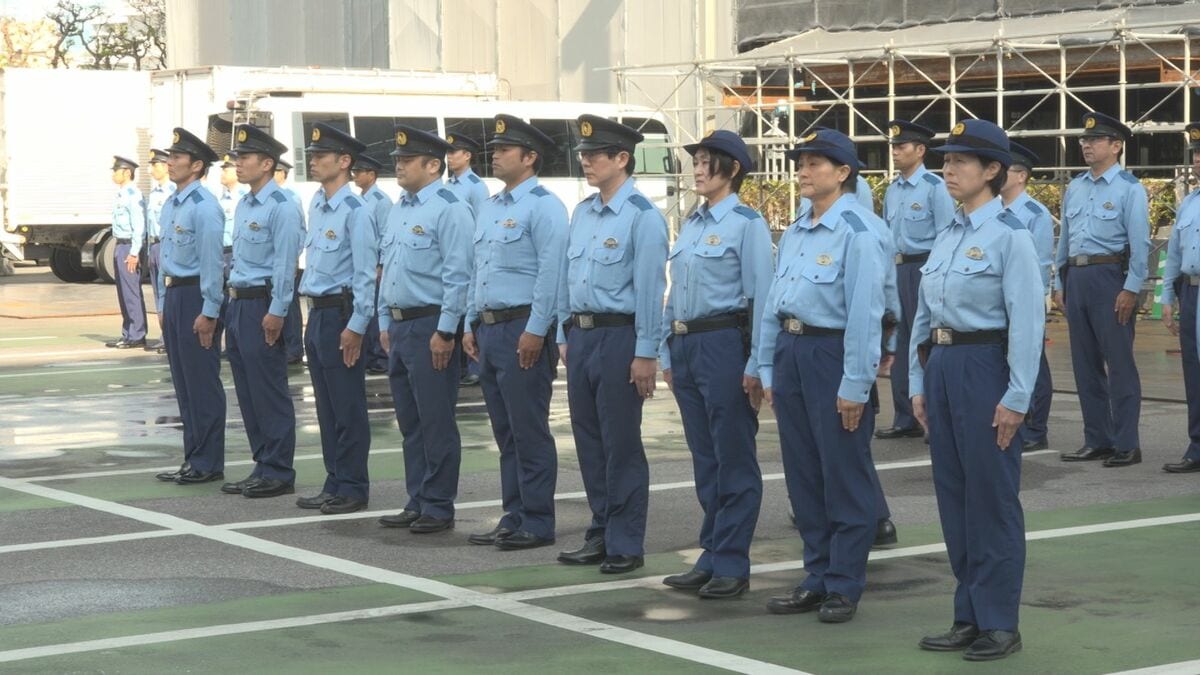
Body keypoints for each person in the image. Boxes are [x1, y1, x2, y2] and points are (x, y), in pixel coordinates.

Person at [910, 119, 1043, 661]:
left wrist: (1017, 397)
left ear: (993, 171)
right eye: (947, 159)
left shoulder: (1010, 235)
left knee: (991, 499)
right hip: (943, 367)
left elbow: (1028, 322)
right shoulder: (947, 234)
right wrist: (918, 382)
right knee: (955, 499)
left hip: (985, 366)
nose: (949, 168)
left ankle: (1000, 622)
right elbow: (923, 318)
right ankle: (968, 613)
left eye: (962, 160)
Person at [759, 128, 887, 623]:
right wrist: (768, 365)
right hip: (793, 352)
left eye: (815, 164)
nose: (804, 172)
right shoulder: (795, 229)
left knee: (843, 473)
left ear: (843, 172)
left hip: (831, 354)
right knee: (803, 473)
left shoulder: (859, 230)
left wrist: (856, 385)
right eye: (802, 163)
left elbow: (864, 314)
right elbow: (775, 304)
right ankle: (816, 574)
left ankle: (845, 582)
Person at [659, 130, 773, 599]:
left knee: (733, 458)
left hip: (725, 344)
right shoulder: (691, 222)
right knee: (705, 461)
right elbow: (675, 292)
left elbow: (762, 299)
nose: (697, 169)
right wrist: (666, 348)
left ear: (732, 168)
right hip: (687, 347)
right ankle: (711, 552)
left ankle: (732, 561)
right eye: (697, 160)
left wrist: (757, 363)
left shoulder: (747, 223)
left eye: (707, 161)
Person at [554, 115, 668, 574]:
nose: (585, 161)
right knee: (589, 440)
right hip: (582, 337)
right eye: (582, 154)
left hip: (621, 337)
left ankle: (625, 541)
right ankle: (600, 530)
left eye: (595, 154)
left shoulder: (642, 217)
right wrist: (564, 333)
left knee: (620, 443)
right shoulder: (582, 212)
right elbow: (567, 277)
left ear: (622, 159)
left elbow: (649, 291)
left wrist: (646, 352)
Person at [463, 114, 568, 551]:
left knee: (528, 429)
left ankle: (538, 520)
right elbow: (479, 268)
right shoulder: (490, 206)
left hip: (522, 328)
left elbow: (551, 273)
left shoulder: (544, 206)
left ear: (529, 158)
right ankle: (514, 513)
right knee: (505, 431)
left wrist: (537, 329)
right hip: (489, 330)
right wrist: (470, 320)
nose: (496, 154)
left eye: (506, 149)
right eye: (496, 148)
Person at [375, 126, 473, 534]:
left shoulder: (449, 208)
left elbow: (459, 274)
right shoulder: (401, 206)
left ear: (433, 165)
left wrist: (447, 330)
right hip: (399, 325)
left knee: (435, 420)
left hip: (430, 323)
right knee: (410, 421)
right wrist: (383, 320)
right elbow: (388, 269)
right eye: (397, 159)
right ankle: (417, 497)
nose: (398, 165)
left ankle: (438, 503)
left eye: (406, 160)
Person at [1055, 112, 1150, 468]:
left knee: (1120, 363)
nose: (1086, 145)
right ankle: (1097, 438)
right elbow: (1064, 238)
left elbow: (1140, 245)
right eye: (1084, 140)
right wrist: (1058, 282)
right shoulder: (1075, 186)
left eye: (1094, 141)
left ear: (1116, 146)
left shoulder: (1129, 189)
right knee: (1084, 364)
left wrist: (1131, 289)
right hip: (1077, 278)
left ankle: (1127, 443)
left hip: (1110, 277)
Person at [293, 123, 378, 515]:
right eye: (312, 155)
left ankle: (353, 486)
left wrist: (357, 327)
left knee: (347, 406)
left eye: (321, 156)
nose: (313, 161)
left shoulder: (356, 211)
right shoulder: (317, 203)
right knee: (326, 407)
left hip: (342, 315)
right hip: (318, 313)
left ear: (344, 162)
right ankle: (334, 480)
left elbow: (364, 276)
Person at [218, 124, 305, 499]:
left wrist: (278, 311)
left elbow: (286, 264)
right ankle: (262, 464)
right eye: (237, 157)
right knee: (249, 392)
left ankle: (279, 469)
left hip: (263, 305)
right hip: (239, 303)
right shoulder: (246, 202)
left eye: (246, 157)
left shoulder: (282, 206)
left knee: (269, 390)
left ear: (267, 163)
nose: (238, 163)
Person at [152, 128, 227, 485]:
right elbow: (166, 259)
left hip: (198, 295)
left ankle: (209, 461)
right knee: (183, 383)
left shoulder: (205, 207)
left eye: (177, 158)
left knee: (201, 383)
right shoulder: (173, 203)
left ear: (197, 165)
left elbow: (213, 263)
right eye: (170, 156)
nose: (170, 162)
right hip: (176, 295)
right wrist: (164, 305)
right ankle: (193, 457)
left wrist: (210, 310)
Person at [876, 120, 956, 440]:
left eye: (902, 146)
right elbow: (884, 236)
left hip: (924, 268)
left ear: (920, 151)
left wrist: (937, 278)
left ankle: (932, 415)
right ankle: (904, 416)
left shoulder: (935, 188)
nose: (895, 151)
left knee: (925, 343)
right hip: (896, 271)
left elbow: (947, 236)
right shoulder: (892, 190)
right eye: (893, 146)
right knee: (897, 341)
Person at [1002, 142, 1055, 452]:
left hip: (1027, 296)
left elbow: (1042, 263)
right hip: (999, 299)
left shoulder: (1035, 213)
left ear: (1021, 175)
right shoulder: (995, 211)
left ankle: (1037, 427)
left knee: (1033, 360)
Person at [1159, 122, 1200, 474]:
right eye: (1197, 154)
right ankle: (1197, 445)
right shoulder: (1188, 203)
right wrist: (1166, 299)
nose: (1199, 161)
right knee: (1193, 372)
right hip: (1190, 291)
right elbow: (1174, 253)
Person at [444, 132, 491, 387]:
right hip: (453, 256)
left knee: (471, 311)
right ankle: (461, 364)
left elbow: (482, 222)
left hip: (471, 257)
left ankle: (475, 364)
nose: (450, 157)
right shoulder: (448, 185)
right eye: (448, 152)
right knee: (455, 310)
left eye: (455, 152)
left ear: (468, 155)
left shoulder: (475, 186)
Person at [352, 153, 394, 375]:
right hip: (363, 262)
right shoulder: (360, 199)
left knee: (378, 311)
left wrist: (381, 264)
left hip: (376, 264)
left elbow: (385, 235)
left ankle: (380, 355)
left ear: (371, 174)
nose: (355, 176)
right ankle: (368, 352)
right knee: (363, 308)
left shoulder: (381, 201)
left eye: (359, 172)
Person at [107, 155, 148, 349]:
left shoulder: (133, 194)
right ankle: (128, 332)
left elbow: (139, 226)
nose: (113, 174)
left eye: (116, 170)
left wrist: (134, 252)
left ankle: (137, 333)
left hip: (129, 246)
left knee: (131, 291)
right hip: (120, 245)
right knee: (123, 292)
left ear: (127, 172)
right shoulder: (121, 194)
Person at [142, 148, 175, 354]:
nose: (151, 169)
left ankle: (169, 335)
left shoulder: (172, 191)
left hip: (167, 246)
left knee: (169, 292)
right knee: (157, 292)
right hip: (154, 246)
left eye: (155, 165)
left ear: (165, 166)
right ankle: (164, 335)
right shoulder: (153, 194)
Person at [275, 158, 306, 365]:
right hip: (274, 263)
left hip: (287, 260)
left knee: (290, 305)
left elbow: (297, 232)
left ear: (282, 173)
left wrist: (294, 257)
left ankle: (294, 348)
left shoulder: (290, 198)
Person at [218, 154, 248, 276]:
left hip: (235, 252)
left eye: (226, 171)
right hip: (222, 252)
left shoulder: (243, 197)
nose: (222, 174)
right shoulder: (224, 197)